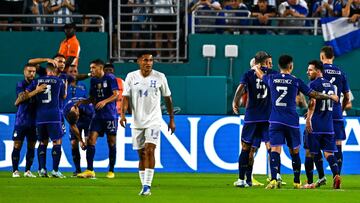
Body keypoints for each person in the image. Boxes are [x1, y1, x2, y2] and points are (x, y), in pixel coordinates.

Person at [254, 54, 338, 189]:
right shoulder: (296, 81)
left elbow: (260, 75)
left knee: (275, 149)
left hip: (275, 120)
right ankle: (297, 181)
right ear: (291, 66)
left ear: (279, 66)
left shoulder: (272, 78)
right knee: (295, 151)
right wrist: (329, 96)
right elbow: (313, 95)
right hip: (291, 121)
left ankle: (274, 179)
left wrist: (255, 67)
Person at [120, 52, 175, 196]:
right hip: (137, 121)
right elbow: (125, 98)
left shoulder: (160, 77)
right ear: (139, 61)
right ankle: (143, 184)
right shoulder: (131, 77)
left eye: (151, 60)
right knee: (141, 154)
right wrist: (122, 115)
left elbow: (168, 98)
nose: (148, 63)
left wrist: (171, 119)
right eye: (145, 60)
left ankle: (147, 186)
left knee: (150, 150)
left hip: (154, 120)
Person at [232, 51, 277, 187]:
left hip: (252, 116)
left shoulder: (248, 74)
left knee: (246, 147)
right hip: (268, 116)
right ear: (266, 61)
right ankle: (275, 178)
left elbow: (241, 88)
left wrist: (235, 101)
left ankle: (242, 179)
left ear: (256, 62)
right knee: (272, 147)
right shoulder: (273, 73)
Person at [16, 62, 67, 178]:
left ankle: (42, 169)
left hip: (40, 116)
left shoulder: (36, 81)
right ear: (54, 71)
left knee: (42, 142)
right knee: (57, 141)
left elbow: (26, 94)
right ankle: (55, 170)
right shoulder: (59, 81)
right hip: (54, 116)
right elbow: (63, 96)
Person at [76, 59, 119, 179]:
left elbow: (116, 94)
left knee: (111, 142)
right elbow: (92, 97)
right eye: (90, 68)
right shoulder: (93, 80)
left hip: (110, 115)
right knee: (90, 140)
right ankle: (90, 170)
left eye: (93, 68)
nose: (91, 70)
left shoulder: (110, 78)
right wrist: (83, 101)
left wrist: (104, 102)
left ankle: (111, 170)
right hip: (97, 115)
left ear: (101, 68)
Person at [302, 60, 341, 189]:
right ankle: (336, 174)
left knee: (312, 152)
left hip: (316, 124)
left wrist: (308, 118)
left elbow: (312, 102)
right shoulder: (332, 86)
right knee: (329, 153)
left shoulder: (313, 84)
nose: (307, 72)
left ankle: (319, 178)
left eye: (310, 69)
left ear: (318, 71)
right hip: (328, 125)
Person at [320, 46, 351, 176]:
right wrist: (341, 108)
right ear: (332, 56)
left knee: (319, 144)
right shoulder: (341, 72)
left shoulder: (319, 71)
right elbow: (347, 97)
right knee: (338, 144)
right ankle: (337, 176)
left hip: (323, 113)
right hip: (337, 113)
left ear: (322, 57)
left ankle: (321, 177)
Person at [11, 64, 46, 178]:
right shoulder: (21, 84)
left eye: (34, 71)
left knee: (31, 146)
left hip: (34, 121)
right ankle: (15, 170)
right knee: (17, 145)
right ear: (24, 72)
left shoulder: (37, 83)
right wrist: (36, 91)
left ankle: (27, 170)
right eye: (29, 71)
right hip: (21, 120)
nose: (32, 74)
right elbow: (21, 98)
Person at [63, 97, 94, 176]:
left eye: (78, 116)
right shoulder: (66, 110)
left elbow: (91, 125)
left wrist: (85, 139)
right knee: (73, 143)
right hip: (78, 122)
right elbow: (73, 125)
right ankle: (77, 170)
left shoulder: (88, 109)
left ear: (77, 112)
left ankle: (89, 169)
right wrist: (80, 140)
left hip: (88, 120)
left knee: (89, 143)